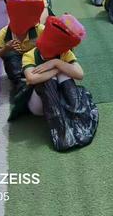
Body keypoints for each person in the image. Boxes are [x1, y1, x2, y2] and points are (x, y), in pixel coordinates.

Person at [21, 14, 99, 151]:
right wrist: (56, 70)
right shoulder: (30, 54)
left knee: (64, 70)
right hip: (39, 106)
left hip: (61, 98)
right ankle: (62, 132)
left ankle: (75, 117)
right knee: (49, 78)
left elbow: (80, 74)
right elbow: (31, 79)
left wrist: (56, 63)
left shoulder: (64, 53)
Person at [0, 0, 48, 92]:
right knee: (9, 53)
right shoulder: (4, 32)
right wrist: (4, 50)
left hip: (35, 65)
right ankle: (21, 85)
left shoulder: (40, 30)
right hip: (17, 68)